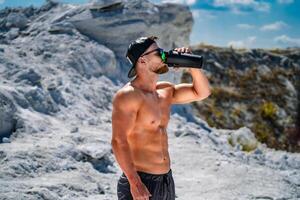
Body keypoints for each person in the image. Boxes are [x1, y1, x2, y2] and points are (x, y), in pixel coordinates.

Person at [111, 36, 211, 200]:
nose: (164, 55)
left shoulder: (165, 91)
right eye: (159, 52)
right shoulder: (128, 95)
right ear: (143, 60)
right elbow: (118, 141)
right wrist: (135, 183)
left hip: (165, 180)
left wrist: (191, 65)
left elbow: (202, 92)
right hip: (141, 181)